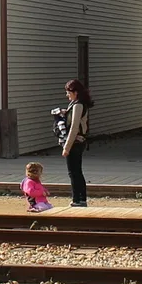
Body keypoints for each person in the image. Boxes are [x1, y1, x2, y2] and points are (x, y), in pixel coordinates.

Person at [60, 78, 92, 208]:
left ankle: (77, 199)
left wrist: (66, 147)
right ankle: (81, 198)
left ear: (76, 92)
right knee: (77, 171)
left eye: (69, 92)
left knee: (73, 172)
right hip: (78, 141)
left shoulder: (78, 105)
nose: (67, 95)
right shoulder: (75, 104)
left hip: (76, 142)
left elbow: (74, 127)